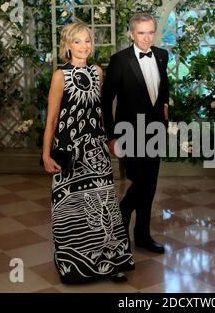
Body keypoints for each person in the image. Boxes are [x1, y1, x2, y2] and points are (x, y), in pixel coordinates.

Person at [42, 21, 134, 284]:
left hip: (95, 148)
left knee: (104, 204)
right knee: (71, 209)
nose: (84, 46)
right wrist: (46, 155)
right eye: (77, 41)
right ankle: (75, 266)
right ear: (67, 45)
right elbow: (51, 120)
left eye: (87, 41)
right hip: (69, 150)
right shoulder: (60, 76)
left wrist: (109, 141)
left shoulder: (97, 72)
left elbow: (99, 112)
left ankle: (109, 262)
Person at [101, 13, 169, 254]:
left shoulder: (162, 55)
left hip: (155, 132)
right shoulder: (120, 60)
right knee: (141, 182)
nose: (146, 38)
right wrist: (111, 136)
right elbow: (105, 100)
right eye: (141, 33)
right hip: (127, 133)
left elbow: (163, 88)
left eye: (150, 32)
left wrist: (165, 107)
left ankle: (142, 236)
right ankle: (121, 215)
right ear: (131, 34)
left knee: (149, 185)